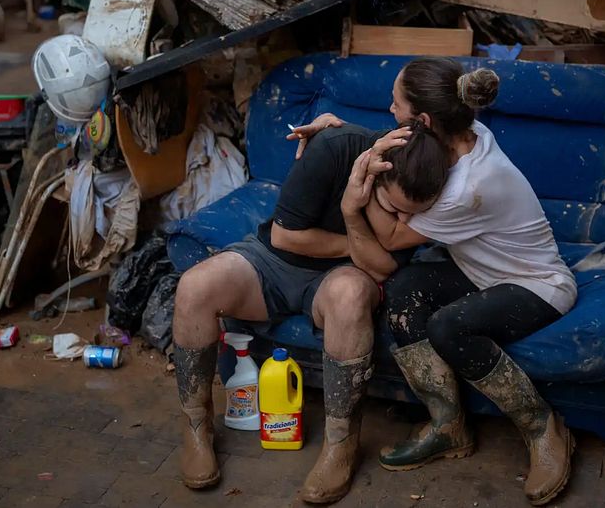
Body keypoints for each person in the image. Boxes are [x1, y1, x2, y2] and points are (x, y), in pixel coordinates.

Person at [288, 59, 578, 506]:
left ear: (422, 120)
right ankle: (448, 427)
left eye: (395, 103)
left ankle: (543, 427)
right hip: (479, 272)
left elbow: (389, 237)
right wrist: (337, 130)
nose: (388, 108)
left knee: (449, 326)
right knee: (403, 291)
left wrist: (360, 183)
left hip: (536, 283)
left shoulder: (468, 185)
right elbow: (404, 147)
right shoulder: (463, 133)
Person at [172, 121, 450, 504]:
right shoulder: (335, 147)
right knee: (194, 287)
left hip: (341, 277)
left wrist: (354, 215)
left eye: (412, 217)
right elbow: (285, 237)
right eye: (394, 209)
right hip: (275, 259)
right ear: (373, 171)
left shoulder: (427, 184)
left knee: (350, 294)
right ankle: (196, 427)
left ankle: (341, 443)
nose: (402, 224)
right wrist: (360, 243)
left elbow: (383, 269)